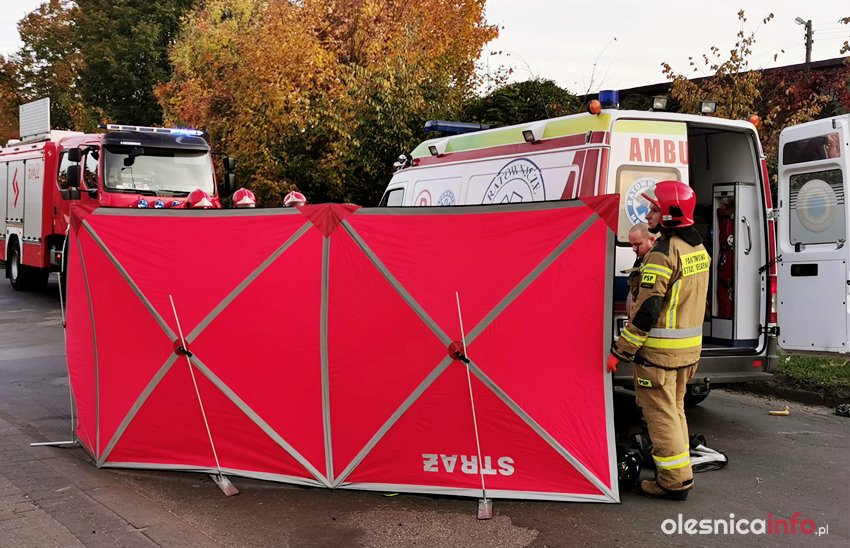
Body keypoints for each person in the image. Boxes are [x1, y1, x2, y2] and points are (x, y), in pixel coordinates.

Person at [607, 180, 710, 501]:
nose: (648, 214)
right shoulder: (697, 250)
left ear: (670, 214)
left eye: (654, 209)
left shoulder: (663, 255)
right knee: (675, 412)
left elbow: (647, 312)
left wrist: (620, 352)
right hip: (687, 354)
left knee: (661, 417)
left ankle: (673, 482)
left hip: (659, 357)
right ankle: (681, 473)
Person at [624, 222, 656, 316]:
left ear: (652, 240)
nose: (634, 249)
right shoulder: (640, 261)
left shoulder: (656, 262)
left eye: (637, 244)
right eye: (632, 245)